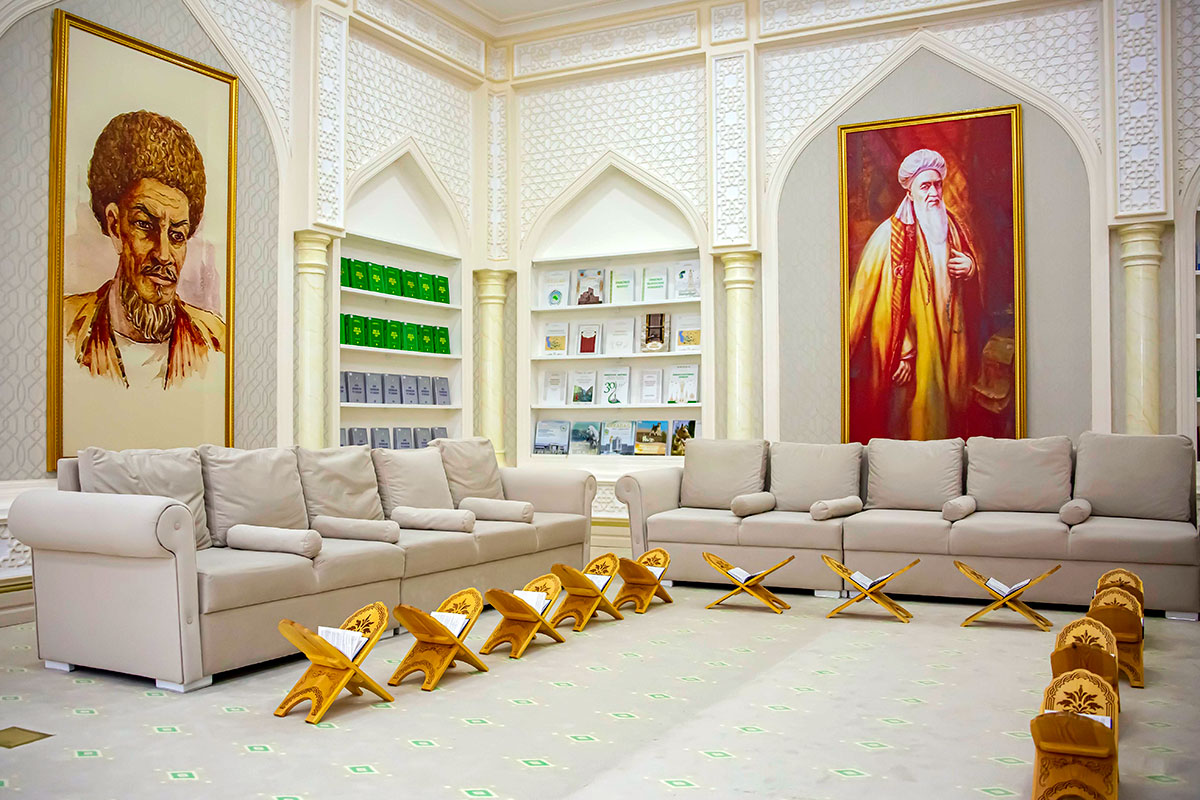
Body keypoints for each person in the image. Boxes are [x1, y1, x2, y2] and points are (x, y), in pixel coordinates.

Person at [64, 110, 224, 389]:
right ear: (115, 226)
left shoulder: (215, 341)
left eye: (176, 235)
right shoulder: (65, 327)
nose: (163, 254)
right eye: (144, 225)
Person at [846, 148, 982, 440]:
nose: (934, 193)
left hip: (952, 339)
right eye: (925, 186)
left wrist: (970, 267)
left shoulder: (953, 227)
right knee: (918, 413)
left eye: (937, 185)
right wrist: (903, 352)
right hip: (915, 347)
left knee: (954, 409)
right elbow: (882, 304)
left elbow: (974, 271)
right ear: (910, 192)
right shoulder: (889, 237)